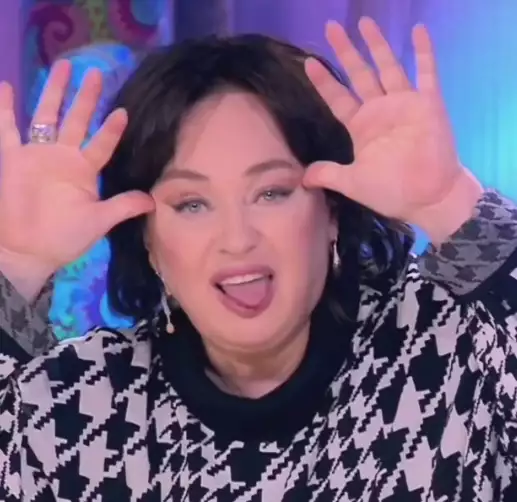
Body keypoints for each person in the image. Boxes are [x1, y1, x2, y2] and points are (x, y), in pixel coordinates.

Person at [0, 17, 515, 502]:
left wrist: (449, 202)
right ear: (149, 240)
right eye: (192, 204)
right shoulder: (85, 407)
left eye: (271, 193)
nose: (237, 239)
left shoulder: (448, 348)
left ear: (331, 211)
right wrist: (16, 264)